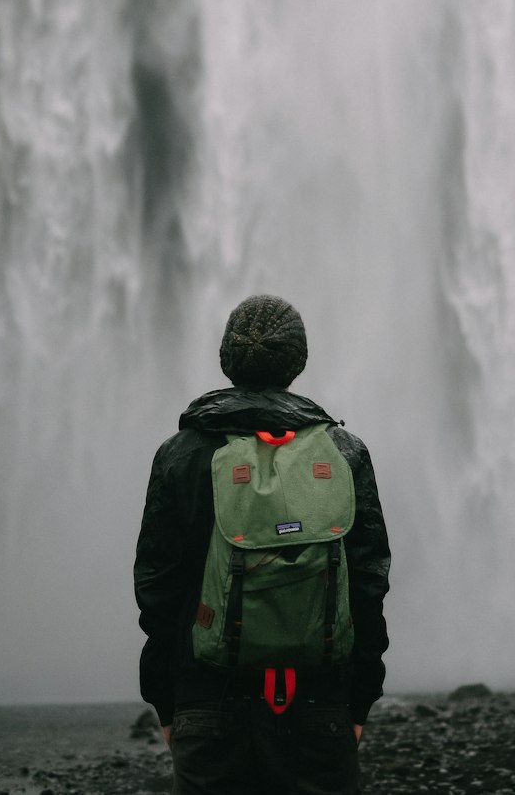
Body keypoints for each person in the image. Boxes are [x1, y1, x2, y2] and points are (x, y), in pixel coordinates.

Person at [134, 293, 390, 795]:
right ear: (298, 361)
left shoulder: (180, 454)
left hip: (206, 703)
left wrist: (167, 702)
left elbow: (157, 588)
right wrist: (359, 700)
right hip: (321, 706)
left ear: (227, 359)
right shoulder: (343, 453)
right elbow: (368, 583)